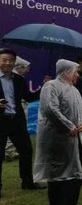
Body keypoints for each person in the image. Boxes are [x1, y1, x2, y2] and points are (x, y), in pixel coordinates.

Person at [33, 59, 82, 205]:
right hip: (57, 139)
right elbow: (50, 110)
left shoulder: (74, 90)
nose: (78, 75)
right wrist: (69, 126)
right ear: (67, 72)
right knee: (57, 174)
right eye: (75, 72)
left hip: (73, 140)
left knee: (74, 175)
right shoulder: (51, 86)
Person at [0, 48, 47, 197]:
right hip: (1, 121)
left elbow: (28, 97)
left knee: (26, 150)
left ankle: (27, 182)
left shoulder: (18, 79)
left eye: (10, 60)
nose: (7, 63)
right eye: (4, 60)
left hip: (17, 120)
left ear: (14, 62)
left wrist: (44, 87)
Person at [5, 56, 31, 161]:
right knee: (16, 128)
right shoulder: (14, 78)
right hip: (17, 107)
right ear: (19, 67)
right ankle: (10, 152)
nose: (28, 70)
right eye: (26, 67)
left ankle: (10, 151)